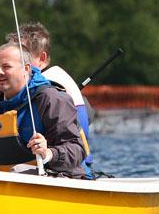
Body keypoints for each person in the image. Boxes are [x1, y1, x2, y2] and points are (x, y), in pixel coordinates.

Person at [0, 43, 88, 178]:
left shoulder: (52, 100)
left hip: (58, 182)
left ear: (26, 69)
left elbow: (77, 150)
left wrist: (49, 153)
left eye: (6, 67)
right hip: (8, 185)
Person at [6, 22, 94, 166]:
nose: (12, 60)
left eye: (21, 56)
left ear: (41, 58)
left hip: (64, 168)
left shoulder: (47, 87)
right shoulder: (57, 76)